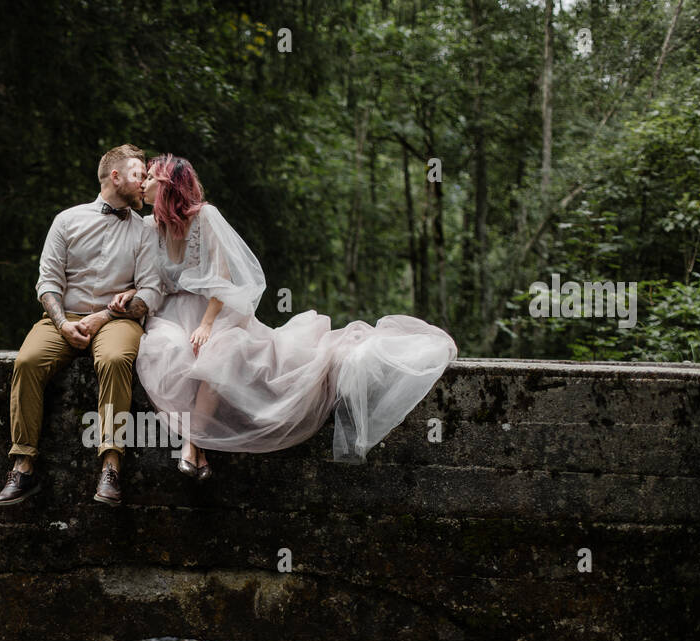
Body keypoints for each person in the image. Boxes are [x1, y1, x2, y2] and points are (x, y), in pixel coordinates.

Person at [117, 154, 457, 477]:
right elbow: (147, 279)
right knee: (167, 352)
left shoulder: (205, 217)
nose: (143, 183)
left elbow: (221, 278)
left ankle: (192, 443)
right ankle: (200, 448)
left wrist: (207, 325)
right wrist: (130, 294)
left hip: (213, 309)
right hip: (170, 313)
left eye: (150, 177)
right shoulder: (149, 227)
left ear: (169, 184)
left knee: (222, 350)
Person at [0, 144, 163, 507]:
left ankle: (111, 465)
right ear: (115, 177)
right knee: (26, 363)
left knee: (116, 360)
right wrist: (63, 324)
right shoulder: (67, 220)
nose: (145, 182)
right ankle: (23, 467)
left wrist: (106, 315)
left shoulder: (146, 230)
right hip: (63, 317)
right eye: (139, 174)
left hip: (117, 319)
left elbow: (151, 290)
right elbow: (47, 283)